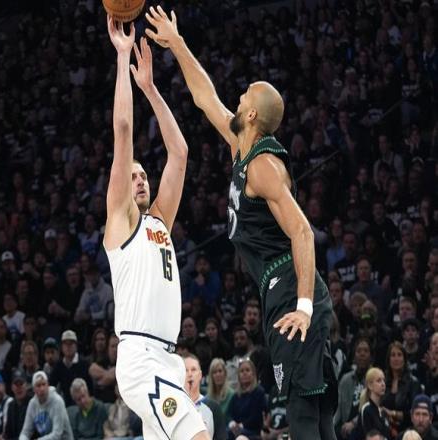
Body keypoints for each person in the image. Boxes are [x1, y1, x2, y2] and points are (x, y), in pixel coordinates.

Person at [145, 6, 336, 439]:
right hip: (278, 289)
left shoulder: (263, 165)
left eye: (246, 95)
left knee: (302, 411)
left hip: (292, 289)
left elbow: (302, 231)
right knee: (316, 408)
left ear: (252, 116)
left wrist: (303, 306)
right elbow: (204, 97)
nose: (239, 96)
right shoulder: (240, 147)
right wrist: (176, 43)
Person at [103, 16, 208, 440]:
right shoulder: (121, 220)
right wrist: (122, 56)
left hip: (167, 359)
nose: (141, 179)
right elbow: (123, 130)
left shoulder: (160, 220)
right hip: (140, 357)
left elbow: (179, 152)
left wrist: (150, 88)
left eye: (144, 174)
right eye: (133, 176)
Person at [20, 370, 74, 440]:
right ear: (34, 389)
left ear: (48, 385)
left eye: (44, 384)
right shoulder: (32, 404)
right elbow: (25, 432)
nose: (42, 389)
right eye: (38, 386)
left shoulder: (57, 401)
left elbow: (57, 434)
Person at [184, 354, 227, 440]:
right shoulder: (174, 406)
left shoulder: (213, 407)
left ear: (200, 375)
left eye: (193, 369)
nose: (189, 374)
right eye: (186, 370)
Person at [357, 368, 391, 439]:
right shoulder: (366, 410)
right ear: (370, 385)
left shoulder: (382, 411)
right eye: (379, 381)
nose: (383, 384)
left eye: (383, 380)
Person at [4, 369, 30, 440]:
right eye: (16, 385)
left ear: (27, 386)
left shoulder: (32, 403)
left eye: (21, 384)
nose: (19, 388)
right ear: (12, 387)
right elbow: (8, 433)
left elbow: (31, 434)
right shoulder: (10, 405)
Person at [206, 358, 235, 422]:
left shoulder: (232, 395)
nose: (218, 374)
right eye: (214, 372)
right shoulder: (207, 398)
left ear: (225, 373)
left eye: (220, 371)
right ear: (211, 376)